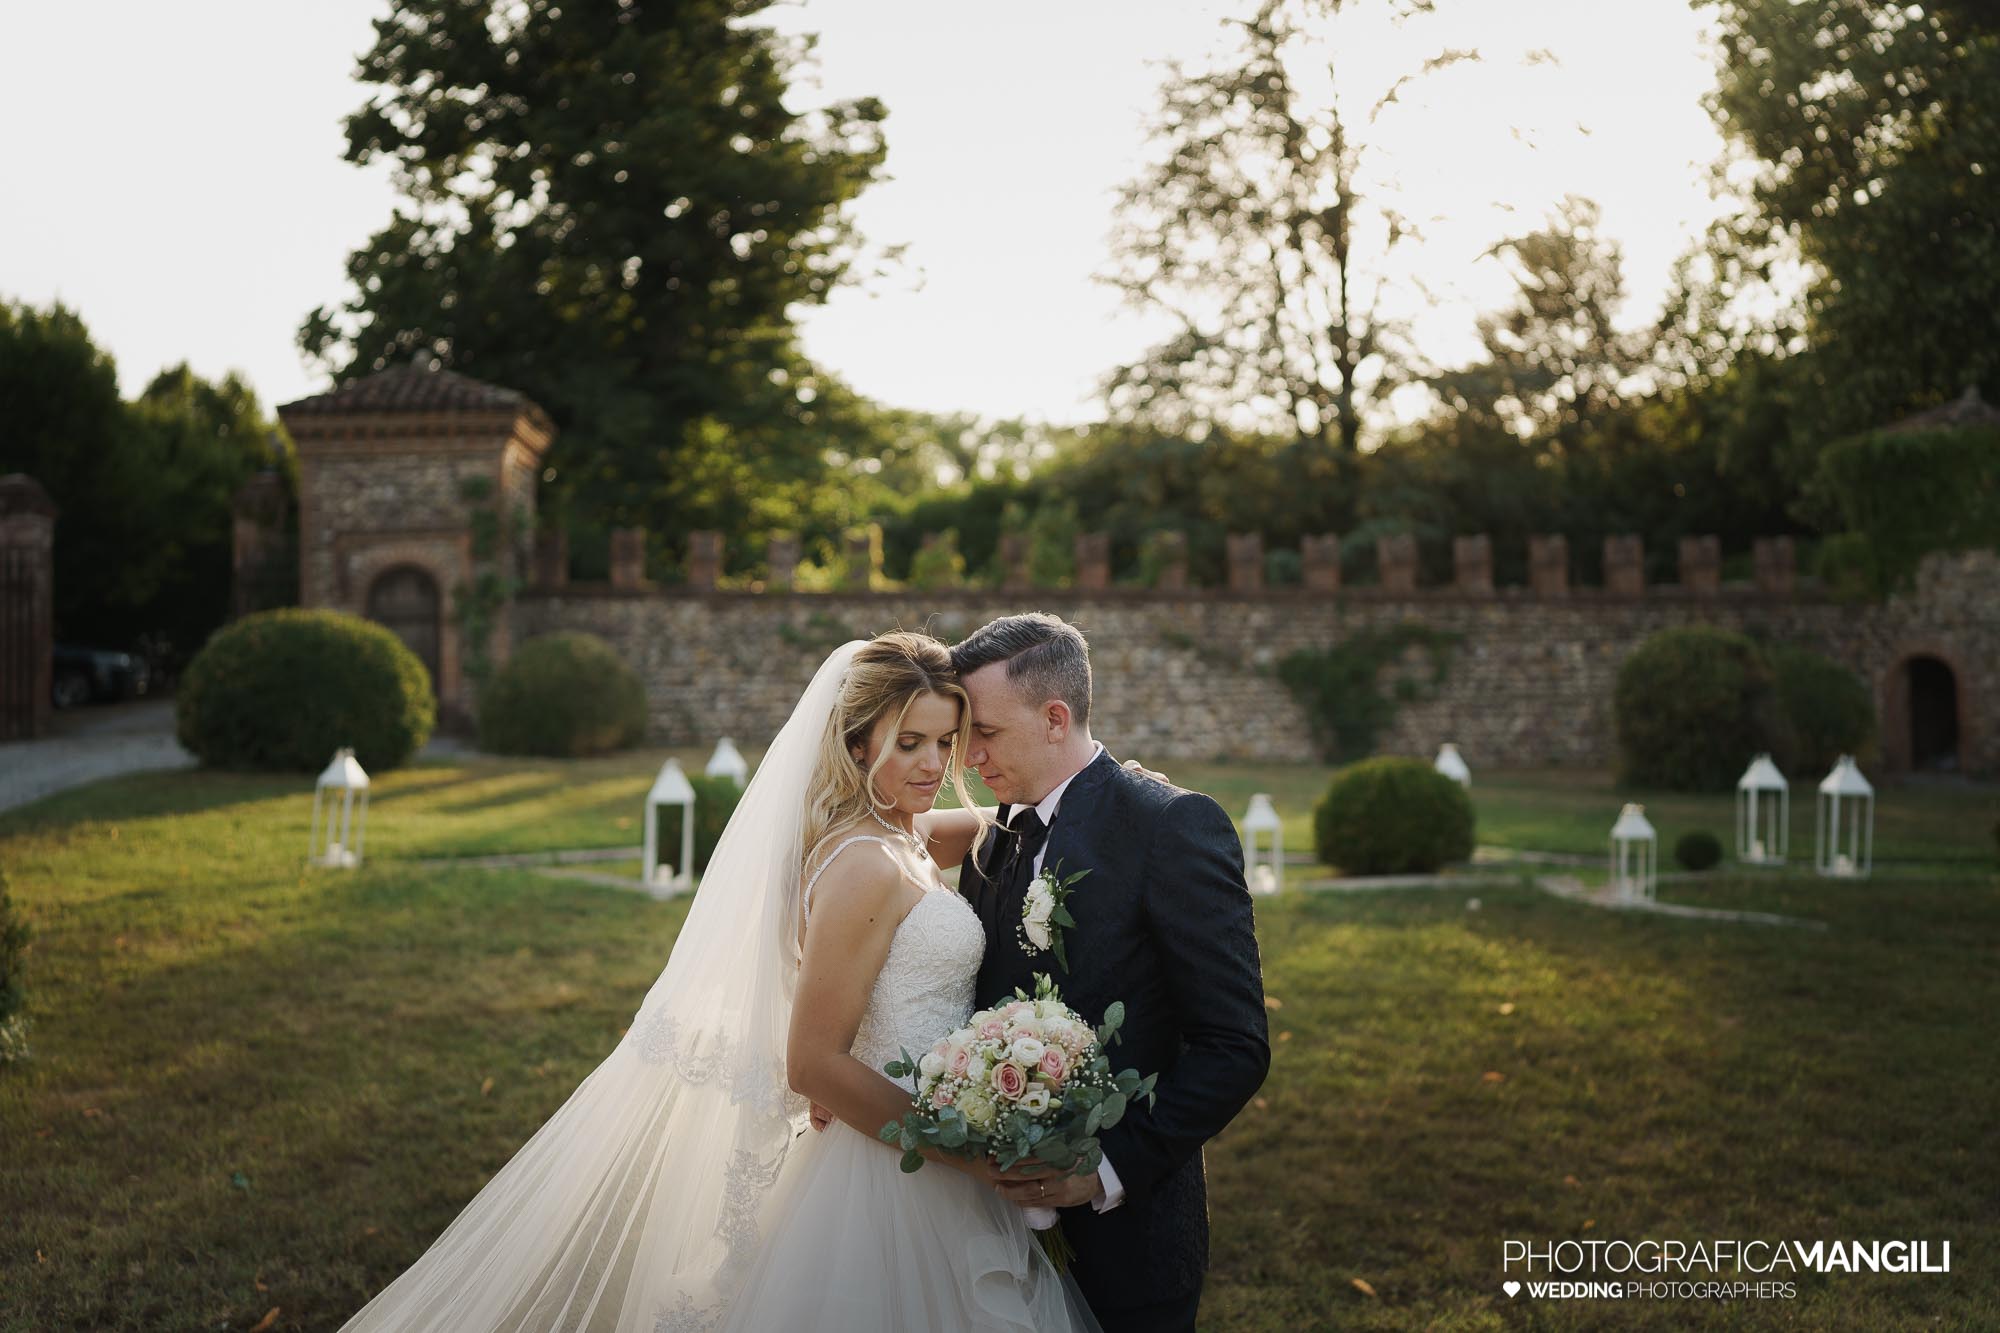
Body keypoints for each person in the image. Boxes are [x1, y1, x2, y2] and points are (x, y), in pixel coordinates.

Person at [338, 632, 1096, 1332]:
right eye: (908, 743)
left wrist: (1099, 780)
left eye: (944, 741)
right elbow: (812, 1065)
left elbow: (990, 826)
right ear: (857, 742)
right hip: (896, 1167)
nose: (933, 764)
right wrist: (966, 1154)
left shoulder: (898, 833)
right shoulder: (865, 866)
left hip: (922, 1145)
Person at [936, 612, 1271, 1332]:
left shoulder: (1170, 827)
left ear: (1055, 718)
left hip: (1132, 1245)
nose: (968, 757)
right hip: (994, 1240)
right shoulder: (994, 835)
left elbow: (1234, 1045)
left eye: (984, 732)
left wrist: (1103, 1168)